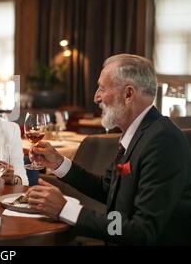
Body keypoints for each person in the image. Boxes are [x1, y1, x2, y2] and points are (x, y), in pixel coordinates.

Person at [27, 54, 191, 245]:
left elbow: (142, 230)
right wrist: (59, 163)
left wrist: (66, 210)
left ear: (128, 94)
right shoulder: (137, 133)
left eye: (102, 88)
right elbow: (108, 189)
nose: (96, 97)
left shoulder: (163, 141)